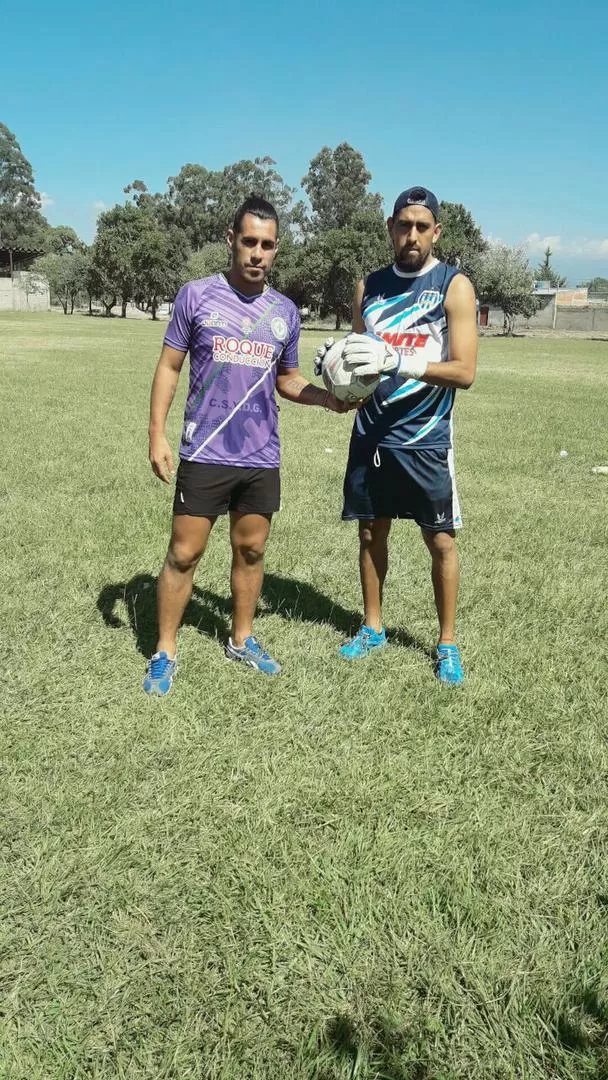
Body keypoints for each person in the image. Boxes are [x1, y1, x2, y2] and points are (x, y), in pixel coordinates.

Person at [144, 195, 348, 694]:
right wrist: (156, 433)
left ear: (276, 250)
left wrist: (328, 400)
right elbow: (170, 367)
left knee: (252, 550)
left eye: (268, 245)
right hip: (204, 451)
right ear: (231, 240)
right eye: (250, 241)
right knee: (185, 554)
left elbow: (289, 378)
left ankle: (242, 638)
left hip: (260, 455)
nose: (258, 253)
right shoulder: (196, 296)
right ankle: (164, 651)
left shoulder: (284, 311)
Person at [317, 186, 478, 685]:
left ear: (436, 232)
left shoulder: (454, 286)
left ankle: (446, 643)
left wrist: (400, 360)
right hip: (372, 433)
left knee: (441, 540)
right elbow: (360, 360)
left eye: (421, 227)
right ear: (391, 228)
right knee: (370, 531)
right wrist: (337, 367)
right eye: (403, 225)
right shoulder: (370, 286)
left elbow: (465, 371)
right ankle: (373, 627)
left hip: (426, 436)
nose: (412, 235)